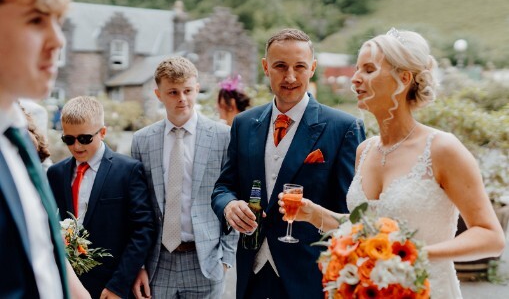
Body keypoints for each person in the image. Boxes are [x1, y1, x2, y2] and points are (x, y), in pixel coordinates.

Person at [279, 28, 506, 298]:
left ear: (404, 78)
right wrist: (315, 214)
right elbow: (370, 230)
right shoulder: (365, 150)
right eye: (357, 69)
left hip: (428, 290)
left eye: (369, 69)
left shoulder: (442, 149)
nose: (355, 79)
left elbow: (491, 237)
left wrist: (413, 254)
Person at [211, 28, 366, 298]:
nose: (290, 77)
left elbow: (351, 213)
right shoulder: (244, 124)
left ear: (313, 68)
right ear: (265, 67)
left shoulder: (344, 128)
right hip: (252, 273)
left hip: (311, 276)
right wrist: (229, 206)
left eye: (300, 67)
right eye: (281, 66)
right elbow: (224, 187)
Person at [0, 0, 91, 298]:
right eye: (36, 20)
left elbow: (42, 261)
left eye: (58, 23)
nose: (58, 40)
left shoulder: (19, 137)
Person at [131, 56, 238, 298]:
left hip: (206, 263)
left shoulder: (223, 137)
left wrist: (226, 258)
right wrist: (137, 265)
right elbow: (137, 206)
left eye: (188, 91)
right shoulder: (143, 140)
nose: (182, 98)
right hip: (158, 263)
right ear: (158, 94)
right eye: (173, 92)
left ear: (197, 89)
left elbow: (234, 196)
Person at [47, 96, 155, 298]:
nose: (77, 146)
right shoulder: (56, 173)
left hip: (111, 285)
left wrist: (119, 284)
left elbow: (143, 229)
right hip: (68, 284)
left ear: (103, 132)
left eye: (85, 138)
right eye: (69, 139)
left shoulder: (127, 170)